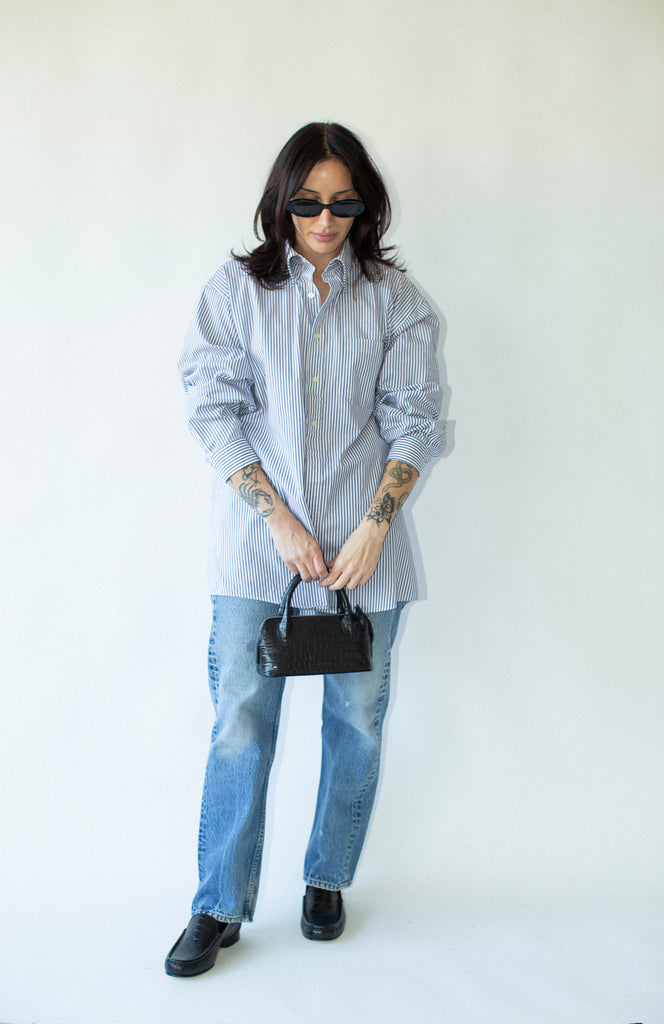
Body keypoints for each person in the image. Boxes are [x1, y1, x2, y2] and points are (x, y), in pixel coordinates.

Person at [165, 122, 445, 977]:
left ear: (366, 204)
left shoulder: (396, 299)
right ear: (282, 200)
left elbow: (418, 422)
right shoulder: (234, 292)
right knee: (241, 725)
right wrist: (277, 519)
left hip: (369, 558)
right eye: (309, 201)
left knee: (357, 721)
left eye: (344, 202)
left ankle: (326, 878)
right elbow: (213, 410)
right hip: (258, 558)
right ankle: (217, 904)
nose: (326, 218)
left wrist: (374, 526)